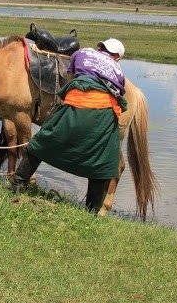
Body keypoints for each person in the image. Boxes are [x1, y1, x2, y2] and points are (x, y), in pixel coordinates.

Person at [10, 38, 127, 213]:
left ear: (99, 47)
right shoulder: (118, 70)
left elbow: (69, 80)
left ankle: (18, 184)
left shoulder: (82, 52)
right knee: (102, 162)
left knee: (42, 140)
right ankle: (92, 211)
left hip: (78, 104)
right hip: (106, 114)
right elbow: (118, 95)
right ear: (117, 58)